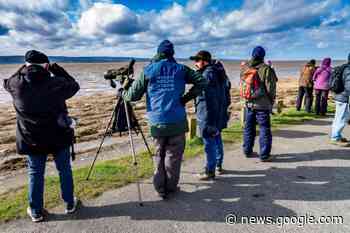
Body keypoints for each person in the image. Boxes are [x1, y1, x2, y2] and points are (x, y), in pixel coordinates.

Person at [122, 40, 207, 199]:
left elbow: (132, 96)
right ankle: (171, 187)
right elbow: (202, 81)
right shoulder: (181, 69)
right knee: (173, 156)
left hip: (157, 121)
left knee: (158, 154)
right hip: (177, 120)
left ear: (158, 53)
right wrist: (185, 98)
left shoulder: (149, 70)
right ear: (172, 53)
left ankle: (160, 188)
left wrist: (124, 92)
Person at [3, 50, 80, 222]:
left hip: (31, 138)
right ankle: (69, 203)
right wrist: (57, 69)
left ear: (26, 66)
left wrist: (22, 68)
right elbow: (74, 85)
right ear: (46, 66)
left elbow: (6, 82)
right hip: (58, 136)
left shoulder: (16, 83)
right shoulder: (55, 82)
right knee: (64, 169)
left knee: (35, 173)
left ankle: (36, 211)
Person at [189, 51, 231, 180]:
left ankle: (210, 170)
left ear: (204, 61)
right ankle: (217, 164)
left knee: (209, 142)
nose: (195, 64)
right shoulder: (218, 72)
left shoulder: (208, 74)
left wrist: (210, 119)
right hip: (218, 113)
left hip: (209, 114)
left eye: (197, 60)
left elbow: (211, 99)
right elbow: (226, 95)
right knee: (216, 138)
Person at [241, 46, 278, 162]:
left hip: (248, 103)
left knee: (248, 128)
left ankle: (247, 151)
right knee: (264, 129)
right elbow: (271, 88)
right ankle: (264, 155)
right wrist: (271, 101)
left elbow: (242, 84)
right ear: (263, 56)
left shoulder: (245, 68)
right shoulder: (266, 69)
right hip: (262, 105)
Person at [331, 53, 350, 146]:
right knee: (341, 118)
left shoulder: (344, 67)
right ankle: (335, 137)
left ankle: (336, 136)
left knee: (339, 117)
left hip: (339, 96)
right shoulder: (349, 70)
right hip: (345, 98)